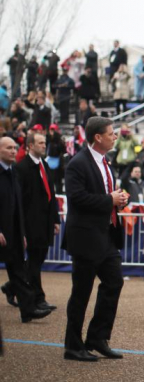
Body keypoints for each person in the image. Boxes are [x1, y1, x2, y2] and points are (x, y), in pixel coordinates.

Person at [62, 117, 128, 361]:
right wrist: (109, 200)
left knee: (114, 282)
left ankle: (98, 338)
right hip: (86, 237)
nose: (115, 136)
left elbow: (105, 194)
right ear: (98, 137)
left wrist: (119, 199)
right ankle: (73, 345)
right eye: (111, 133)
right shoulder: (77, 163)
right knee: (81, 292)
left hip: (107, 235)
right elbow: (77, 197)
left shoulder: (106, 162)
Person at [2, 132, 60, 311]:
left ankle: (12, 287)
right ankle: (37, 297)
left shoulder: (45, 165)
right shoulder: (22, 168)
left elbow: (51, 193)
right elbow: (20, 201)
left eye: (45, 143)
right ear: (30, 146)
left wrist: (55, 219)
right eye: (40, 143)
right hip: (30, 223)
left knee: (38, 259)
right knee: (34, 261)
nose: (44, 145)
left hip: (44, 222)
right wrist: (23, 229)